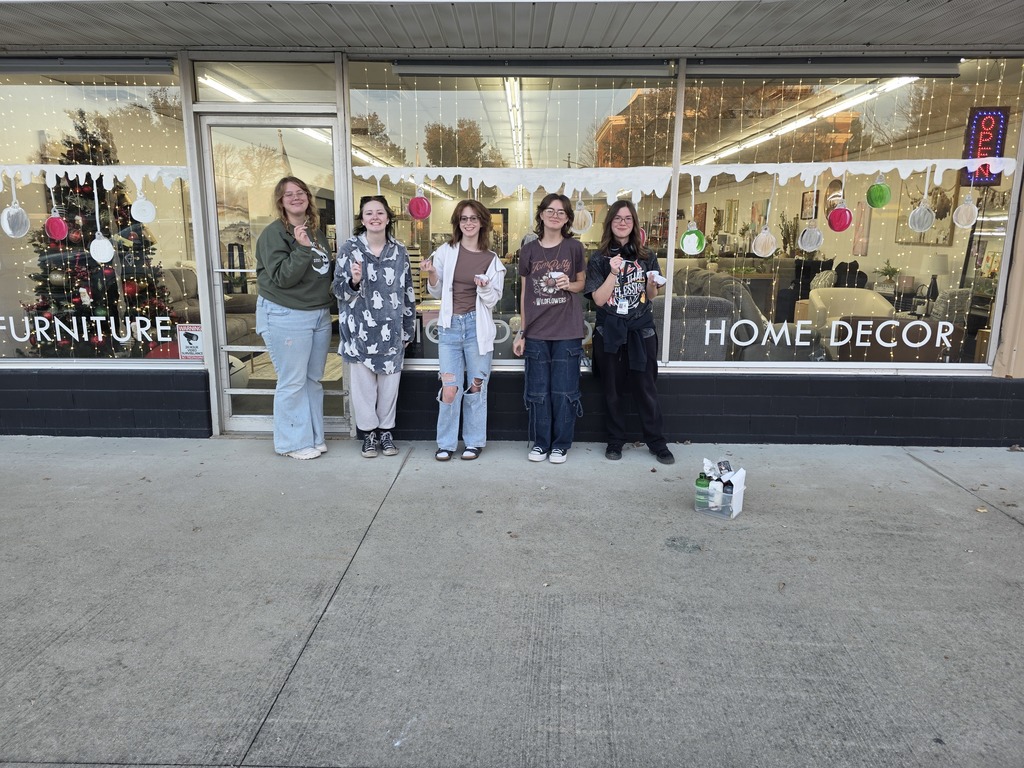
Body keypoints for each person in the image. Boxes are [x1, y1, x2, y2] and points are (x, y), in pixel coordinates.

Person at [583, 200, 675, 465]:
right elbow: (598, 300)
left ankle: (657, 442)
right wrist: (613, 273)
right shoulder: (599, 258)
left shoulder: (647, 256)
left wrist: (651, 283)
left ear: (634, 223)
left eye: (628, 218)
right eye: (617, 218)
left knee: (646, 389)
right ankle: (615, 441)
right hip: (609, 331)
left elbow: (650, 296)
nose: (622, 223)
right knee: (612, 390)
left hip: (640, 330)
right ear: (610, 223)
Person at [254, 177, 334, 460]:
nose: (296, 197)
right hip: (287, 313)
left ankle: (313, 436)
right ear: (281, 201)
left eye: (301, 193)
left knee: (313, 379)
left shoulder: (315, 232)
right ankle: (291, 443)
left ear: (308, 198)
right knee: (293, 381)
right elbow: (282, 277)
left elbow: (323, 273)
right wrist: (301, 248)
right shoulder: (274, 234)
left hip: (318, 314)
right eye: (289, 194)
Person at [421, 200, 506, 461]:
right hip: (450, 328)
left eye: (473, 218)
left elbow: (493, 299)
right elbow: (435, 290)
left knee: (476, 387)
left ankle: (474, 441)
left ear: (482, 222)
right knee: (450, 388)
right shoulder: (446, 251)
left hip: (476, 328)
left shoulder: (492, 260)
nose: (468, 223)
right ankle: (445, 443)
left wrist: (483, 286)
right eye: (463, 219)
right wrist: (433, 273)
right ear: (458, 223)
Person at [334, 196, 416, 458]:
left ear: (388, 218)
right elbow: (337, 290)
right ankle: (368, 435)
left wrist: (408, 329)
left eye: (379, 212)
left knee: (389, 387)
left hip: (392, 330)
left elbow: (408, 292)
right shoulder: (349, 249)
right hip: (359, 331)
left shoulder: (399, 250)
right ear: (362, 219)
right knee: (363, 389)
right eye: (368, 213)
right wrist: (354, 281)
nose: (374, 217)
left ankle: (386, 433)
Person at [512, 193, 586, 464]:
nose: (555, 215)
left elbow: (582, 284)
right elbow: (524, 293)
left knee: (565, 392)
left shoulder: (574, 248)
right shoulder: (529, 250)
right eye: (550, 210)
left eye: (561, 212)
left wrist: (568, 285)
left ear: (567, 218)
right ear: (541, 214)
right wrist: (522, 331)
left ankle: (560, 444)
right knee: (538, 393)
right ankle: (541, 443)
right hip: (537, 332)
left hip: (568, 331)